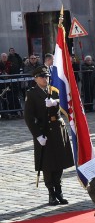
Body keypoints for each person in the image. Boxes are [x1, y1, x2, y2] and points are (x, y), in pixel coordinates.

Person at [23, 66, 74, 205]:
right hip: (44, 130)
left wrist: (55, 102)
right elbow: (28, 117)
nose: (45, 79)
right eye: (42, 77)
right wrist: (38, 135)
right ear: (35, 79)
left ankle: (59, 190)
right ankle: (51, 192)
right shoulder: (32, 94)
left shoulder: (54, 90)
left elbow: (65, 103)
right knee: (48, 163)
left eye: (46, 76)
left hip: (57, 129)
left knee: (60, 161)